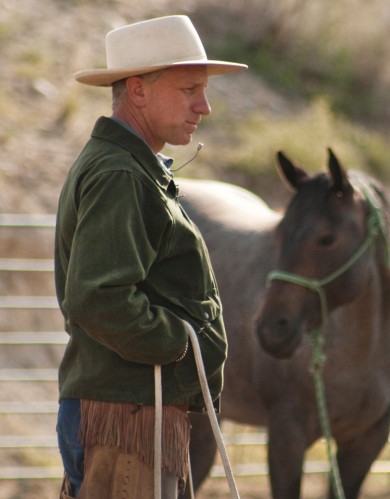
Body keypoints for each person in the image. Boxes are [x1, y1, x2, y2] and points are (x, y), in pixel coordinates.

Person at [54, 15, 247, 499]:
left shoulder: (129, 167)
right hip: (128, 417)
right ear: (137, 91)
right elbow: (98, 297)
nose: (203, 106)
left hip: (137, 410)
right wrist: (178, 343)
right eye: (189, 90)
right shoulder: (121, 174)